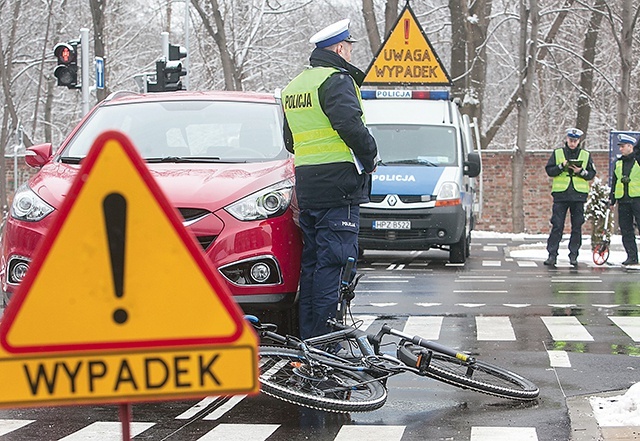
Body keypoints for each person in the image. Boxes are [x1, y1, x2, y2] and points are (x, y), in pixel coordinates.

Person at [281, 19, 379, 339]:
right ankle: (327, 344)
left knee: (313, 266)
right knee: (335, 265)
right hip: (339, 186)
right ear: (339, 49)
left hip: (308, 186)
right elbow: (351, 127)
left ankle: (309, 338)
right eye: (349, 47)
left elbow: (290, 141)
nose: (350, 53)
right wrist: (370, 159)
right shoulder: (336, 80)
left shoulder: (295, 86)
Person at [544, 128, 597, 267]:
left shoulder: (585, 155)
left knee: (577, 227)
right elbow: (550, 170)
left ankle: (573, 255)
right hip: (561, 195)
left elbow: (591, 174)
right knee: (557, 226)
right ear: (566, 139)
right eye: (570, 140)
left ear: (579, 141)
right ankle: (552, 255)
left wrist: (581, 172)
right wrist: (561, 166)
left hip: (578, 196)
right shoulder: (558, 153)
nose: (572, 143)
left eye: (575, 141)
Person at [610, 133, 640, 266]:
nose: (621, 149)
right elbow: (615, 182)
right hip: (623, 200)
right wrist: (612, 199)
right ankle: (632, 256)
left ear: (630, 146)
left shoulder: (638, 160)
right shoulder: (618, 163)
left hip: (637, 199)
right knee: (626, 230)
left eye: (623, 146)